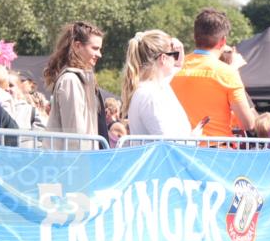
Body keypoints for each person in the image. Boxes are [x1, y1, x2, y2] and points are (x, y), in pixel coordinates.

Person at [170, 8, 256, 139]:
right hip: (216, 153)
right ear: (223, 41)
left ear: (195, 37)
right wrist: (235, 71)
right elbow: (248, 124)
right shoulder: (228, 73)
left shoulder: (173, 68)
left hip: (180, 150)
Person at [44, 21, 107, 150]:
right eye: (95, 48)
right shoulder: (70, 80)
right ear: (77, 46)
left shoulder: (80, 79)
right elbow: (75, 134)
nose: (99, 54)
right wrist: (82, 166)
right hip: (76, 163)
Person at [121, 29, 193, 137]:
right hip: (166, 153)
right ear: (163, 58)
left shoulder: (153, 88)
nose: (175, 60)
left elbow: (176, 68)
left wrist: (178, 57)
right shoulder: (150, 94)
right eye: (174, 55)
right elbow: (166, 141)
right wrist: (193, 139)